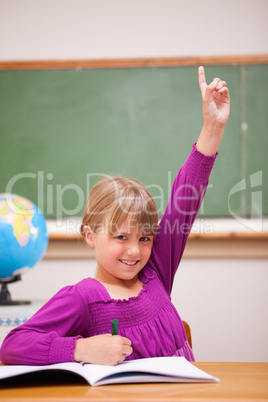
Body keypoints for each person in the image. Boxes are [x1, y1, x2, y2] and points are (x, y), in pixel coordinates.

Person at [0, 66, 230, 366]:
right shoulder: (82, 298)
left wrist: (213, 126)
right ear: (90, 235)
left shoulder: (155, 271)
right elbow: (12, 346)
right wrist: (79, 350)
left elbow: (187, 195)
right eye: (121, 237)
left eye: (145, 238)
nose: (135, 250)